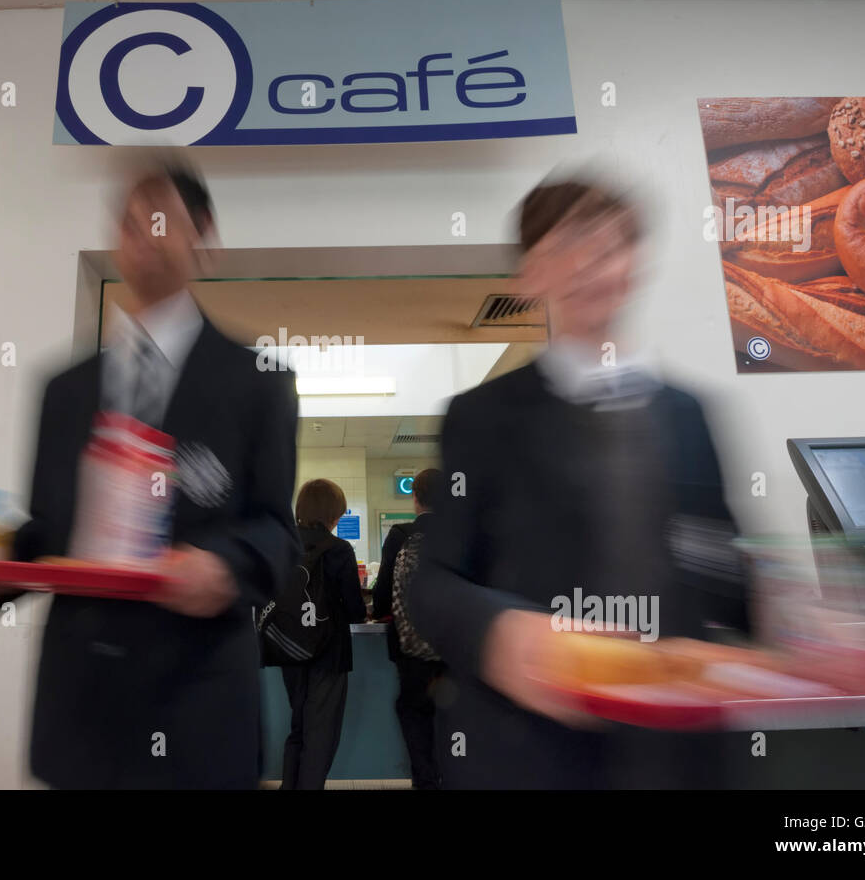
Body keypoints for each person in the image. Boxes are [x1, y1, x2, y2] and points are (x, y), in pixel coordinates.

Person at [409, 173, 750, 789]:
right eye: (566, 244)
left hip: (680, 757)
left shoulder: (690, 414)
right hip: (530, 753)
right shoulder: (481, 418)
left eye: (609, 243)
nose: (589, 262)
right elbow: (432, 581)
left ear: (634, 261)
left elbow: (723, 569)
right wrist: (498, 630)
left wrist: (795, 610)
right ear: (529, 276)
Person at [0, 162, 300, 789]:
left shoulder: (258, 381)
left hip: (198, 710)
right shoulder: (64, 391)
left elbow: (277, 534)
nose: (141, 234)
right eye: (128, 221)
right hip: (80, 715)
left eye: (160, 219)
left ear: (203, 236)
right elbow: (51, 532)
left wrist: (223, 566)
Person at [272, 478, 367, 789]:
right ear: (333, 514)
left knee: (298, 727)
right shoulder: (339, 549)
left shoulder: (282, 546)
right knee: (321, 734)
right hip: (329, 653)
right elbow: (355, 610)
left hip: (289, 649)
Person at [371, 467, 445, 789]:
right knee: (451, 716)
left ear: (415, 499)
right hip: (455, 650)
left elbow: (384, 594)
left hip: (411, 651)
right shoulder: (463, 538)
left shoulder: (400, 535)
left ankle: (424, 780)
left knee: (415, 715)